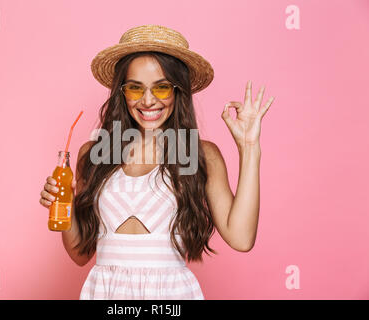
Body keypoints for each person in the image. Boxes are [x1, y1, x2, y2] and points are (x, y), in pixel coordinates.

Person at [39, 24, 274, 299]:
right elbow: (80, 254)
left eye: (161, 88)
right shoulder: (96, 153)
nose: (148, 101)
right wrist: (61, 204)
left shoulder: (198, 154)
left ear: (178, 91)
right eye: (135, 88)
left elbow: (242, 238)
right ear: (122, 92)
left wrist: (249, 148)